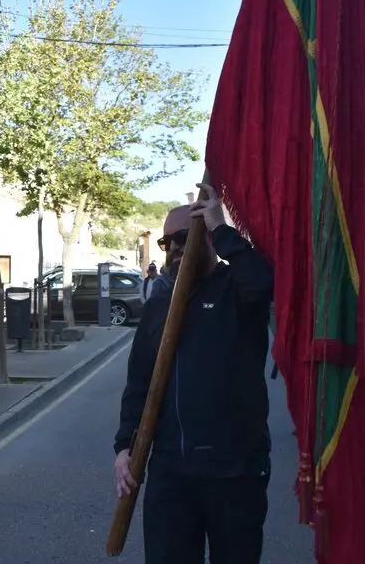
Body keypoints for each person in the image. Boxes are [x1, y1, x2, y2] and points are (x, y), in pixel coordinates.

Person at [114, 183, 274, 563]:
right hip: (171, 472)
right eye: (166, 243)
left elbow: (265, 284)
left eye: (184, 237)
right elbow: (139, 383)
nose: (174, 249)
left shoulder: (237, 288)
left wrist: (222, 230)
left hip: (235, 472)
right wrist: (124, 447)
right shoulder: (159, 306)